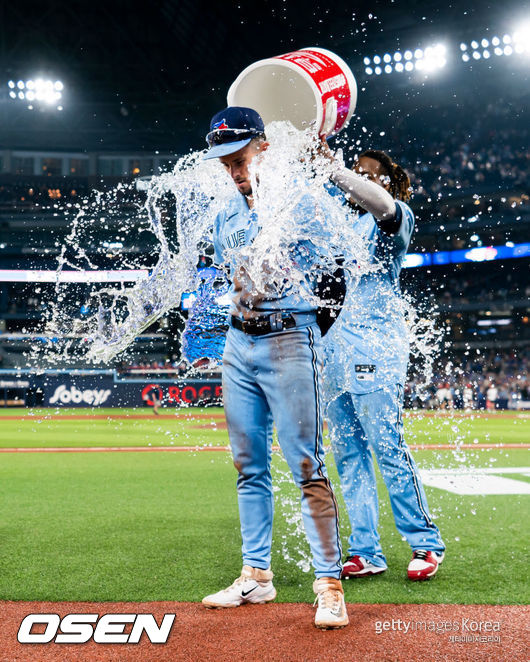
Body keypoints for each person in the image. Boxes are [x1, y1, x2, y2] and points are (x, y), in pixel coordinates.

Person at [200, 107, 348, 629]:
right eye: (225, 165)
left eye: (240, 160)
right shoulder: (225, 216)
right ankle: (256, 578)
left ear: (264, 147)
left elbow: (335, 280)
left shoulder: (302, 204)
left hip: (289, 339)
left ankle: (329, 585)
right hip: (238, 346)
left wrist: (304, 336)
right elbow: (227, 281)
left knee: (307, 466)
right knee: (248, 467)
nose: (235, 173)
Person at [322, 147, 446, 581]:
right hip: (332, 355)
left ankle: (425, 543)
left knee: (388, 447)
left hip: (375, 349)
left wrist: (337, 171)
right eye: (358, 173)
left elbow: (381, 205)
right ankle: (367, 550)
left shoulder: (395, 215)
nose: (363, 180)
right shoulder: (338, 223)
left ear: (388, 183)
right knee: (349, 456)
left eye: (372, 175)